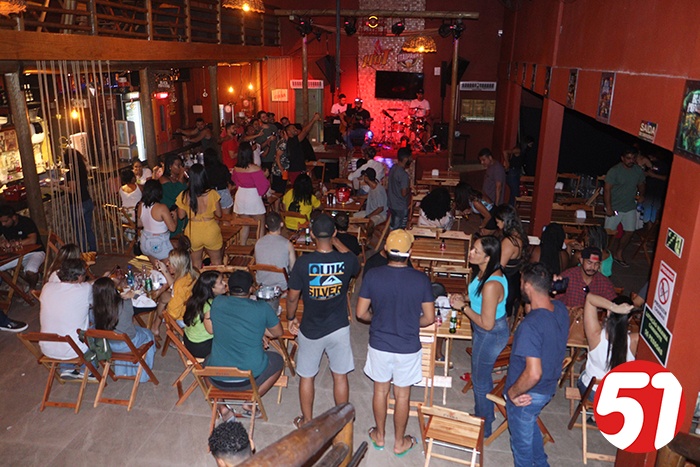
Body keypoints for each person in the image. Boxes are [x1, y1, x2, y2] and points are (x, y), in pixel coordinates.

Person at [356, 229, 434, 456]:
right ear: (410, 252)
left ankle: (379, 435)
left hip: (379, 344)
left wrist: (378, 318)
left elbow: (361, 313)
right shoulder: (420, 279)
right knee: (402, 395)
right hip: (408, 347)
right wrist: (410, 322)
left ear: (386, 250)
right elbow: (429, 318)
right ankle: (400, 442)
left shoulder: (373, 275)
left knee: (380, 391)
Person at [286, 214, 360, 428]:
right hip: (338, 327)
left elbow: (292, 296)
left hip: (311, 328)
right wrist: (336, 240)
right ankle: (343, 422)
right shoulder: (347, 260)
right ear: (335, 233)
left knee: (307, 376)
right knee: (340, 375)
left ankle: (307, 422)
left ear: (311, 234)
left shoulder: (303, 262)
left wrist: (291, 317)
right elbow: (355, 263)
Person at [505, 262, 569, 467]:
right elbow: (536, 308)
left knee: (521, 451)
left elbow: (533, 373)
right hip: (547, 389)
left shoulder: (530, 326)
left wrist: (513, 393)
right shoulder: (559, 309)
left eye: (522, 282)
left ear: (527, 286)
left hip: (527, 395)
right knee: (529, 429)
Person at [449, 236, 509, 439]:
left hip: (490, 333)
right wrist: (463, 297)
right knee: (479, 375)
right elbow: (476, 294)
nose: (470, 253)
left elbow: (487, 323)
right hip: (484, 331)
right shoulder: (484, 271)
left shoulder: (492, 284)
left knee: (480, 379)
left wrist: (463, 308)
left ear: (488, 257)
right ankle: (483, 415)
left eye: (476, 251)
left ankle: (485, 424)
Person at [208, 270, 284, 419]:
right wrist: (259, 329)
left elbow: (233, 323)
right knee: (278, 360)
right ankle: (250, 401)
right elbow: (277, 332)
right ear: (250, 289)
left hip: (218, 378)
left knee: (205, 365)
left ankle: (222, 407)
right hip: (248, 379)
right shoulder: (261, 307)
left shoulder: (217, 302)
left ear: (228, 287)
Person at [92, 277, 156, 382]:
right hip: (128, 343)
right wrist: (134, 295)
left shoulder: (96, 308)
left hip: (109, 344)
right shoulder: (124, 303)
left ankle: (122, 371)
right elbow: (152, 304)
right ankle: (143, 374)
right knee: (148, 334)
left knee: (128, 332)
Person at [578, 293, 637, 402]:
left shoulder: (595, 335)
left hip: (593, 393)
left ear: (608, 312)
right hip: (619, 397)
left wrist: (614, 307)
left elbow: (590, 298)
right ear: (629, 319)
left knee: (584, 368)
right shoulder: (635, 340)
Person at [39, 258, 92, 378]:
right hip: (74, 349)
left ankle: (66, 368)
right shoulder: (84, 289)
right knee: (96, 325)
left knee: (66, 322)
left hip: (47, 347)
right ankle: (87, 370)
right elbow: (94, 302)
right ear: (79, 276)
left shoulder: (47, 287)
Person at [604, 148, 646, 267]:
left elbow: (642, 183)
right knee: (609, 233)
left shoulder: (637, 170)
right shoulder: (614, 171)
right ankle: (605, 255)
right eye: (628, 158)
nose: (631, 160)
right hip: (615, 207)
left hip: (630, 207)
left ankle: (619, 253)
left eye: (633, 158)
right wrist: (608, 207)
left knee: (630, 231)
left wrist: (642, 195)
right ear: (622, 158)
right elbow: (607, 189)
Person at [176, 163, 223, 267]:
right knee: (216, 262)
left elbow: (181, 216)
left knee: (196, 264)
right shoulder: (212, 193)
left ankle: (198, 278)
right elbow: (219, 214)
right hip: (210, 229)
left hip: (193, 231)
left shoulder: (184, 195)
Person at [493, 204, 529, 318]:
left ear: (505, 221)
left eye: (498, 222)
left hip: (506, 284)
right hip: (514, 279)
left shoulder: (509, 242)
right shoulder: (519, 234)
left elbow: (498, 268)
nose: (497, 225)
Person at [231, 142, 270, 245]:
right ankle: (259, 246)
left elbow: (235, 182)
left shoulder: (236, 168)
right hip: (252, 196)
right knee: (260, 223)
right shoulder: (255, 168)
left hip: (241, 195)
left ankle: (242, 246)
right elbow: (263, 185)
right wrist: (265, 176)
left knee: (245, 224)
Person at [153, 248, 198, 334]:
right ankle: (155, 327)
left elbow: (173, 314)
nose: (167, 263)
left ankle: (172, 332)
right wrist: (165, 270)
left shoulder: (179, 286)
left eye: (170, 262)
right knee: (164, 296)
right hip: (193, 311)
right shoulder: (191, 274)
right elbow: (175, 287)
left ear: (177, 266)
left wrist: (161, 315)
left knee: (162, 303)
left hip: (184, 318)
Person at [183, 270, 227, 359]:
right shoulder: (210, 305)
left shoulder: (196, 298)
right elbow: (212, 330)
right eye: (221, 282)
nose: (225, 283)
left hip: (189, 339)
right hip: (200, 346)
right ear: (212, 288)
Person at [0, 204, 45, 289]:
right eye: (2, 222)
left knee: (30, 271)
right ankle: (19, 288)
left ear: (13, 217)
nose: (3, 224)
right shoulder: (3, 225)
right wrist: (2, 243)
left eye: (5, 221)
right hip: (17, 254)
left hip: (35, 252)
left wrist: (13, 244)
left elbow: (32, 240)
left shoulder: (26, 222)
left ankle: (32, 289)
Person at [64, 148, 97, 252]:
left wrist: (59, 186)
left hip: (77, 204)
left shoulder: (71, 174)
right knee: (88, 229)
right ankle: (93, 251)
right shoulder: (83, 170)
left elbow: (72, 190)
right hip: (87, 201)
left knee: (79, 231)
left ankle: (84, 253)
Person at [137, 180, 177, 265]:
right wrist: (175, 216)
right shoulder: (161, 207)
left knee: (156, 267)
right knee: (169, 267)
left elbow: (139, 224)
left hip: (145, 241)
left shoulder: (141, 205)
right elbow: (172, 228)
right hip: (159, 243)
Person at [254, 211, 296, 290]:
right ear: (281, 224)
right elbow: (293, 268)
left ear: (266, 226)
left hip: (262, 284)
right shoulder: (287, 244)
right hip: (282, 286)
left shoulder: (258, 242)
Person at [285, 113, 322, 185]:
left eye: (295, 128)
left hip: (300, 169)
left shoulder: (295, 140)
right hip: (295, 170)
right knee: (298, 187)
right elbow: (305, 131)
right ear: (288, 132)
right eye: (293, 128)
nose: (295, 129)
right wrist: (314, 119)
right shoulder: (291, 141)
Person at [159, 153, 188, 237]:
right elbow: (176, 194)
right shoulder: (164, 179)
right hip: (171, 213)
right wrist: (181, 177)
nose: (181, 168)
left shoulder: (181, 179)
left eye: (181, 165)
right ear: (170, 167)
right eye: (178, 165)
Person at [204, 148, 234, 215]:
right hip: (223, 192)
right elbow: (230, 181)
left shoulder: (205, 170)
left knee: (213, 217)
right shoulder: (223, 167)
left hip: (210, 194)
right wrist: (228, 190)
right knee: (226, 217)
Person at [387, 148, 412, 230]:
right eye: (410, 157)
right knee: (399, 231)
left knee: (393, 227)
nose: (411, 160)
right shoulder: (403, 174)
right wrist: (410, 189)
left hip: (392, 204)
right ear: (405, 159)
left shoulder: (393, 168)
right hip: (400, 206)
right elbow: (404, 193)